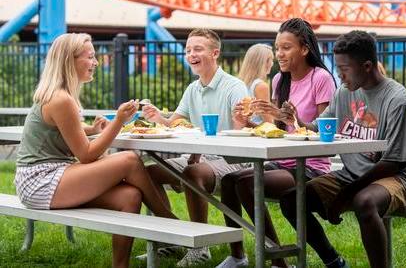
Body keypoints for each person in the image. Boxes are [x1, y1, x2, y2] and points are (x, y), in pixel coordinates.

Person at [14, 33, 177, 268]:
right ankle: (169, 223)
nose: (96, 62)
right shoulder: (61, 99)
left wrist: (91, 129)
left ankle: (119, 265)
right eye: (90, 57)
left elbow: (65, 131)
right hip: (39, 181)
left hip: (54, 175)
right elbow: (86, 155)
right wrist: (118, 121)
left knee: (130, 196)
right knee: (130, 160)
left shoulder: (60, 95)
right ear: (70, 60)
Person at [279, 30, 406, 268]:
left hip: (398, 177)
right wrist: (293, 119)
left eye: (344, 69)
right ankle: (333, 261)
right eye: (337, 68)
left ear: (367, 66)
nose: (339, 75)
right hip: (352, 175)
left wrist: (344, 195)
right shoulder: (343, 93)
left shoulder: (398, 100)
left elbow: (395, 162)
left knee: (363, 201)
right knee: (292, 200)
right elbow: (317, 128)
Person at [216, 18, 336, 268]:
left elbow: (326, 133)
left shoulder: (321, 78)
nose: (279, 54)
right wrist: (249, 123)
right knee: (229, 181)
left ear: (304, 49)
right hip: (282, 163)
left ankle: (278, 262)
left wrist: (294, 119)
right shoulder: (281, 81)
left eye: (286, 47)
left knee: (246, 182)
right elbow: (278, 131)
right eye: (277, 48)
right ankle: (238, 256)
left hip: (310, 167)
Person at [141, 28, 249, 266]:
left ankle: (200, 246)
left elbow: (240, 135)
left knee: (192, 172)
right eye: (188, 50)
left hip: (233, 160)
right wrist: (158, 117)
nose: (191, 54)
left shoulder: (234, 87)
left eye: (198, 49)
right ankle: (173, 238)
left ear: (215, 53)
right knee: (148, 173)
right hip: (201, 156)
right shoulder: (193, 89)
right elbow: (174, 124)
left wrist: (199, 151)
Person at [237, 43, 274, 124]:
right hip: (258, 133)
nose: (272, 64)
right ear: (265, 62)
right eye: (271, 60)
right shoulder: (261, 86)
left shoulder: (239, 83)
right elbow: (269, 122)